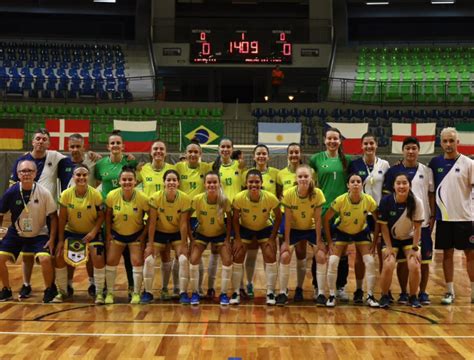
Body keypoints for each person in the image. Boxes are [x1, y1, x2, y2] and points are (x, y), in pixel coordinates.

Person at [9, 128, 67, 300]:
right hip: (26, 211)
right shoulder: (22, 160)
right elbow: (12, 185)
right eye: (38, 139)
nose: (41, 142)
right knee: (27, 254)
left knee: (48, 253)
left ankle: (52, 287)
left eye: (44, 139)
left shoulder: (55, 157)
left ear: (48, 143)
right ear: (32, 141)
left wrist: (92, 156)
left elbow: (77, 157)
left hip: (48, 212)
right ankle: (26, 284)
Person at [384, 137, 435, 305]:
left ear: (419, 151)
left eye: (414, 148)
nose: (411, 151)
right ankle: (404, 292)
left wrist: (433, 215)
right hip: (398, 224)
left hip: (422, 222)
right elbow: (387, 196)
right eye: (408, 148)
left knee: (423, 260)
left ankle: (422, 292)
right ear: (403, 150)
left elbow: (430, 195)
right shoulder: (393, 172)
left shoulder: (427, 170)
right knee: (401, 263)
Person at [0, 160, 58, 303]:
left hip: (39, 233)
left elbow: (53, 217)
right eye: (23, 171)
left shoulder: (44, 192)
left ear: (35, 174)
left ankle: (49, 289)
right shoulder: (11, 192)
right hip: (17, 232)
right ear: (18, 174)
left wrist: (52, 239)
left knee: (45, 259)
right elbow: (1, 213)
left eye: (29, 171)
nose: (26, 174)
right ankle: (6, 290)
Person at [428, 127, 474, 305]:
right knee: (447, 255)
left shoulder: (468, 164)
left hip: (465, 218)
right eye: (445, 141)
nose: (448, 144)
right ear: (440, 143)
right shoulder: (435, 163)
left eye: (451, 141)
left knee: (470, 255)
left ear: (457, 142)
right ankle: (449, 291)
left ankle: (472, 291)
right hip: (444, 219)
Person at [320, 173, 379, 307]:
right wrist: (329, 242)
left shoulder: (368, 200)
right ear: (348, 185)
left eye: (358, 181)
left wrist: (374, 242)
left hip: (360, 231)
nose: (356, 184)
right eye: (352, 181)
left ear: (362, 185)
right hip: (342, 231)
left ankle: (369, 295)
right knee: (334, 261)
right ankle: (332, 295)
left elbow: (378, 221)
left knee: (369, 261)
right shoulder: (340, 200)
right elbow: (325, 219)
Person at [309, 127, 351, 302]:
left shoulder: (347, 160)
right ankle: (317, 286)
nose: (333, 141)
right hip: (323, 209)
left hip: (341, 211)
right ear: (324, 140)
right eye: (330, 138)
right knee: (320, 250)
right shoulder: (315, 159)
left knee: (342, 251)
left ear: (340, 141)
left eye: (336, 139)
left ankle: (340, 286)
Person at [95, 130, 138, 299]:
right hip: (107, 213)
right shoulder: (100, 165)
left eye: (118, 143)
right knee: (108, 251)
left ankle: (132, 286)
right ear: (108, 146)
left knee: (128, 252)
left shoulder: (129, 163)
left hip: (126, 212)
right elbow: (98, 183)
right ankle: (106, 287)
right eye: (112, 143)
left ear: (123, 146)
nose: (115, 146)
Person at [54, 164, 105, 304]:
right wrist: (59, 241)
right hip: (71, 232)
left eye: (84, 175)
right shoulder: (66, 194)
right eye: (78, 175)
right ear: (73, 177)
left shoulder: (95, 194)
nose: (81, 177)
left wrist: (93, 232)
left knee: (97, 255)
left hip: (91, 232)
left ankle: (98, 290)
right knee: (59, 255)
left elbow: (101, 216)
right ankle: (64, 289)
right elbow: (62, 219)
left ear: (88, 177)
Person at [348, 133, 389, 303]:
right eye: (366, 143)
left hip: (379, 213)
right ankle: (358, 289)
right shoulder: (355, 164)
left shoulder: (385, 165)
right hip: (362, 214)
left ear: (376, 145)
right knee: (360, 253)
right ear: (361, 146)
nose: (369, 146)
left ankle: (382, 290)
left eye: (371, 143)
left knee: (381, 252)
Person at [231, 169, 282, 305]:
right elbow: (235, 219)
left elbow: (278, 217)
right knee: (237, 255)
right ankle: (236, 292)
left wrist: (272, 238)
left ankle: (270, 292)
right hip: (245, 228)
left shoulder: (270, 197)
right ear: (246, 183)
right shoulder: (239, 198)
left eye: (257, 182)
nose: (254, 185)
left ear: (262, 183)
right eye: (251, 182)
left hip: (264, 228)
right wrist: (237, 239)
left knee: (270, 255)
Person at [277, 165, 325, 306]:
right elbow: (288, 220)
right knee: (285, 255)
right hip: (294, 229)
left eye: (306, 176)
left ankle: (321, 293)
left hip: (310, 229)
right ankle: (282, 292)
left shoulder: (318, 194)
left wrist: (319, 241)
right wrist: (286, 242)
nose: (303, 179)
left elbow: (317, 220)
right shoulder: (289, 194)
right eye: (300, 176)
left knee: (321, 255)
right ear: (296, 179)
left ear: (311, 178)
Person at [141, 169, 191, 304]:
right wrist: (149, 244)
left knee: (183, 259)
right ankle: (148, 292)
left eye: (174, 180)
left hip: (176, 232)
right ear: (164, 182)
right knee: (149, 260)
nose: (171, 182)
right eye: (168, 180)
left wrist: (185, 244)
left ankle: (183, 292)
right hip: (159, 232)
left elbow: (183, 224)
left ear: (178, 183)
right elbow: (151, 223)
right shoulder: (155, 198)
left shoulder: (185, 199)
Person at [137, 139, 176, 300]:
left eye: (161, 149)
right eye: (155, 149)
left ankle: (165, 288)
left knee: (166, 254)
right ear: (150, 152)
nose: (158, 151)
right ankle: (145, 289)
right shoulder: (143, 169)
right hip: (148, 218)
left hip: (168, 218)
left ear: (165, 153)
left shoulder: (172, 170)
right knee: (148, 255)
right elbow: (128, 180)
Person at [104, 166, 149, 304]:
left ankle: (136, 293)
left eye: (130, 180)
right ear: (119, 181)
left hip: (135, 234)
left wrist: (143, 235)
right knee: (111, 261)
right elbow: (107, 215)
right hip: (117, 234)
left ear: (135, 182)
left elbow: (152, 217)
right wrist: (108, 234)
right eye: (124, 179)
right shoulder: (112, 195)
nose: (127, 182)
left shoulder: (142, 197)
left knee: (137, 262)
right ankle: (110, 293)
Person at [378, 173, 424, 308]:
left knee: (414, 265)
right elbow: (383, 226)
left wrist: (415, 249)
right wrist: (389, 247)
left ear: (410, 185)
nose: (401, 186)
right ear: (393, 186)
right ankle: (385, 295)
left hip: (410, 240)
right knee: (388, 263)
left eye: (405, 183)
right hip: (391, 240)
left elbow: (417, 228)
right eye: (398, 183)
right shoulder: (386, 201)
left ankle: (413, 296)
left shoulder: (416, 202)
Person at [189, 171, 233, 305]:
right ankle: (195, 292)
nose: (212, 185)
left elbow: (230, 221)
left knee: (227, 260)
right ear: (204, 184)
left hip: (219, 234)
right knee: (194, 259)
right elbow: (186, 218)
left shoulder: (224, 200)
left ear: (219, 184)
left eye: (215, 182)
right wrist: (191, 239)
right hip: (202, 233)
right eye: (209, 182)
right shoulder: (197, 199)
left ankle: (224, 294)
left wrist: (227, 239)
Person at [241, 144, 278, 299]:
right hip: (249, 219)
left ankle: (270, 289)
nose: (261, 156)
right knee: (251, 254)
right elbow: (243, 195)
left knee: (269, 254)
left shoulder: (276, 173)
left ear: (268, 156)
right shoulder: (246, 174)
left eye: (264, 154)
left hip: (268, 220)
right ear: (254, 156)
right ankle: (249, 283)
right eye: (258, 154)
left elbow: (280, 195)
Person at [176, 141, 211, 298]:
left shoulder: (206, 168)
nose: (193, 154)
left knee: (196, 252)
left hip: (198, 216)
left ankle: (199, 288)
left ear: (200, 154)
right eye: (190, 151)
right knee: (181, 253)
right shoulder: (177, 168)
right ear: (185, 153)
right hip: (181, 215)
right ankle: (178, 288)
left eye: (196, 152)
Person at [211, 138, 245, 299]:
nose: (225, 149)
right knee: (216, 250)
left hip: (237, 213)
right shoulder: (214, 167)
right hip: (220, 214)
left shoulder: (239, 166)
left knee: (236, 251)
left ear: (232, 149)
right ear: (218, 149)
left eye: (228, 147)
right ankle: (211, 287)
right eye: (222, 147)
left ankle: (239, 287)